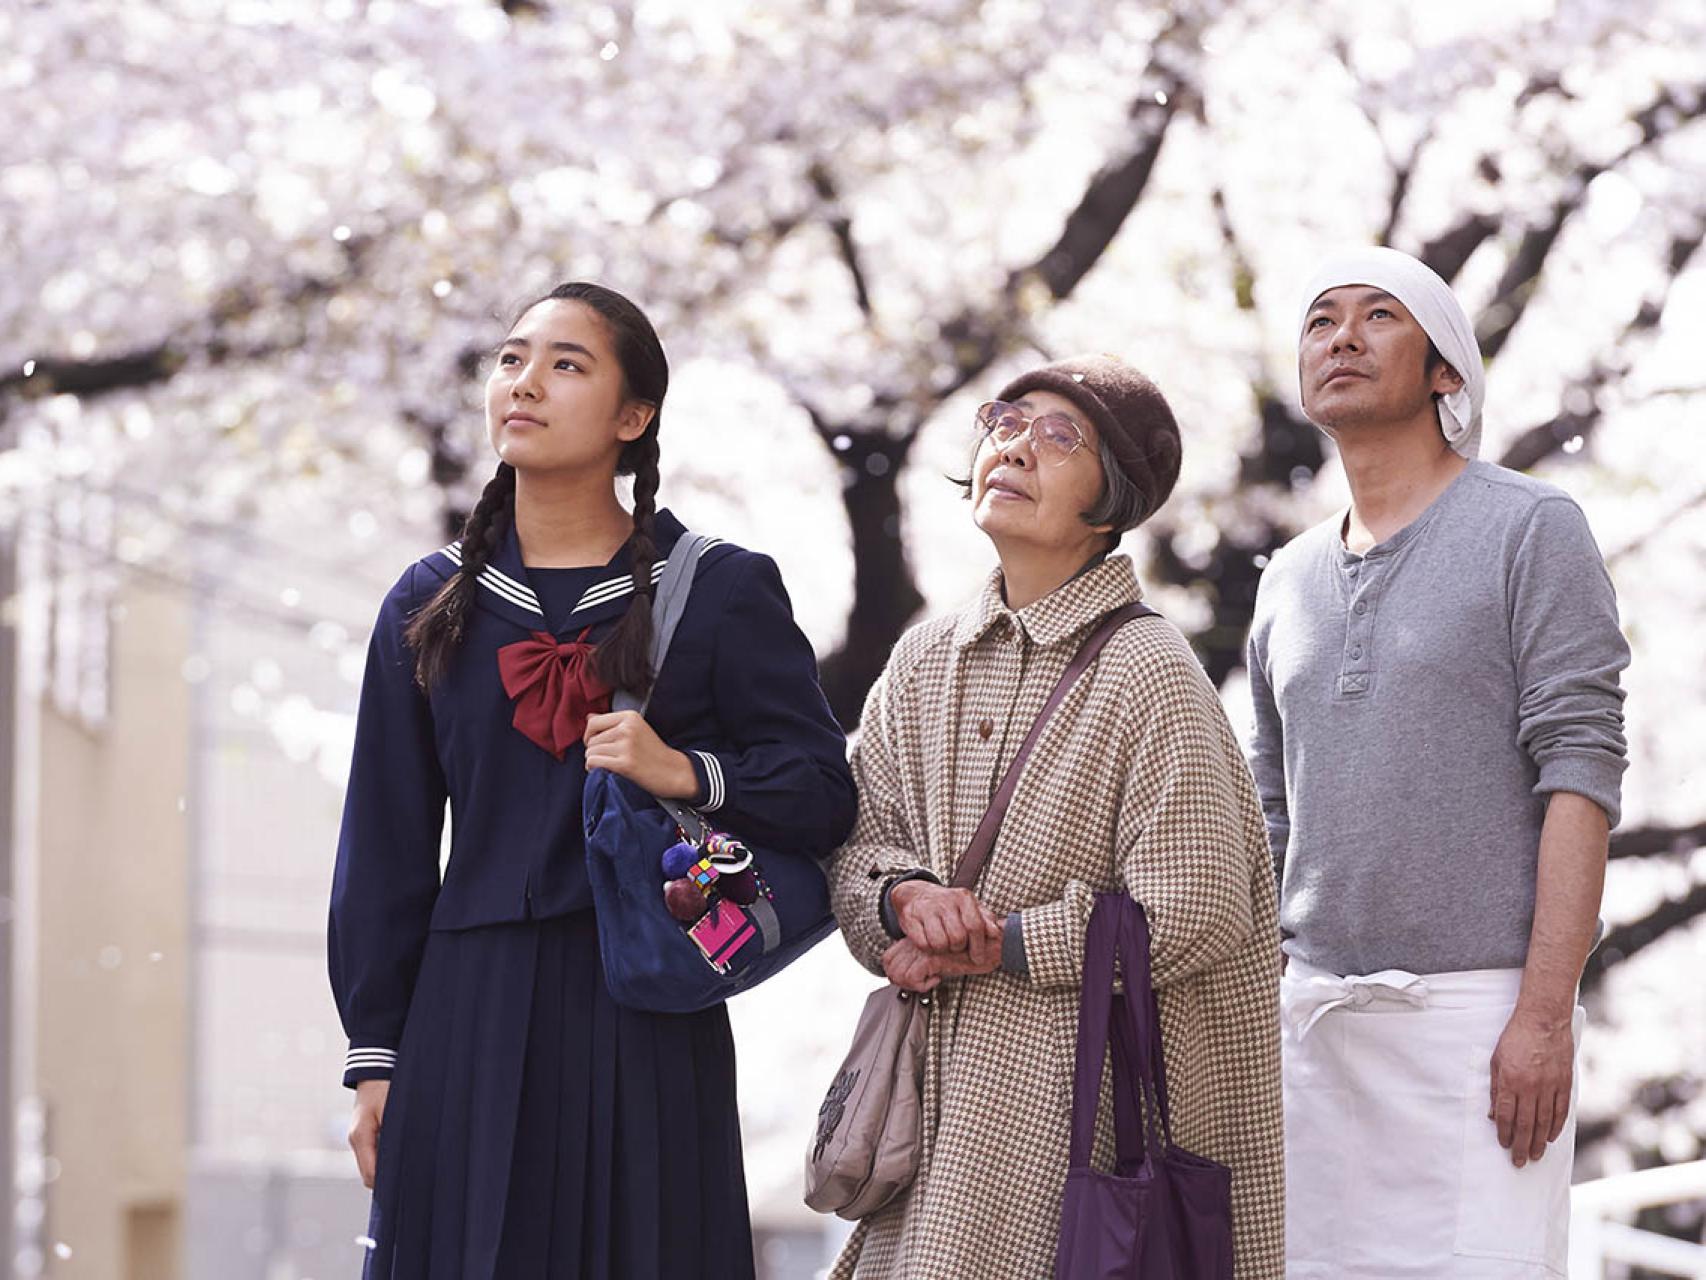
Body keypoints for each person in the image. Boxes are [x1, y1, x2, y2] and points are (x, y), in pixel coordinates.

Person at [327, 282, 856, 1279]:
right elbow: (385, 840)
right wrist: (375, 1055)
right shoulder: (429, 598)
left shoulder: (719, 587)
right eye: (510, 358)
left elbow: (821, 789)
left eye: (566, 364)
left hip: (647, 1003)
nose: (524, 383)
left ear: (632, 415)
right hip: (464, 1010)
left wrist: (685, 771)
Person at [824, 356, 1284, 1278]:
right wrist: (902, 898)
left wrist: (1005, 941)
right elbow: (855, 846)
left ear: (1110, 502)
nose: (1017, 446)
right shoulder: (923, 661)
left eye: (1060, 435)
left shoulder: (1149, 670)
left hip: (1077, 1124)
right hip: (931, 1117)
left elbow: (1198, 906)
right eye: (1005, 421)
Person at [1247, 246, 1630, 1278]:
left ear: (1443, 372)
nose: (1339, 336)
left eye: (1378, 317)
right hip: (1312, 1032)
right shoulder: (1283, 578)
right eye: (1320, 319)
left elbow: (1580, 768)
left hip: (1482, 1023)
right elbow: (1269, 810)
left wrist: (1542, 1013)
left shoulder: (1528, 527)